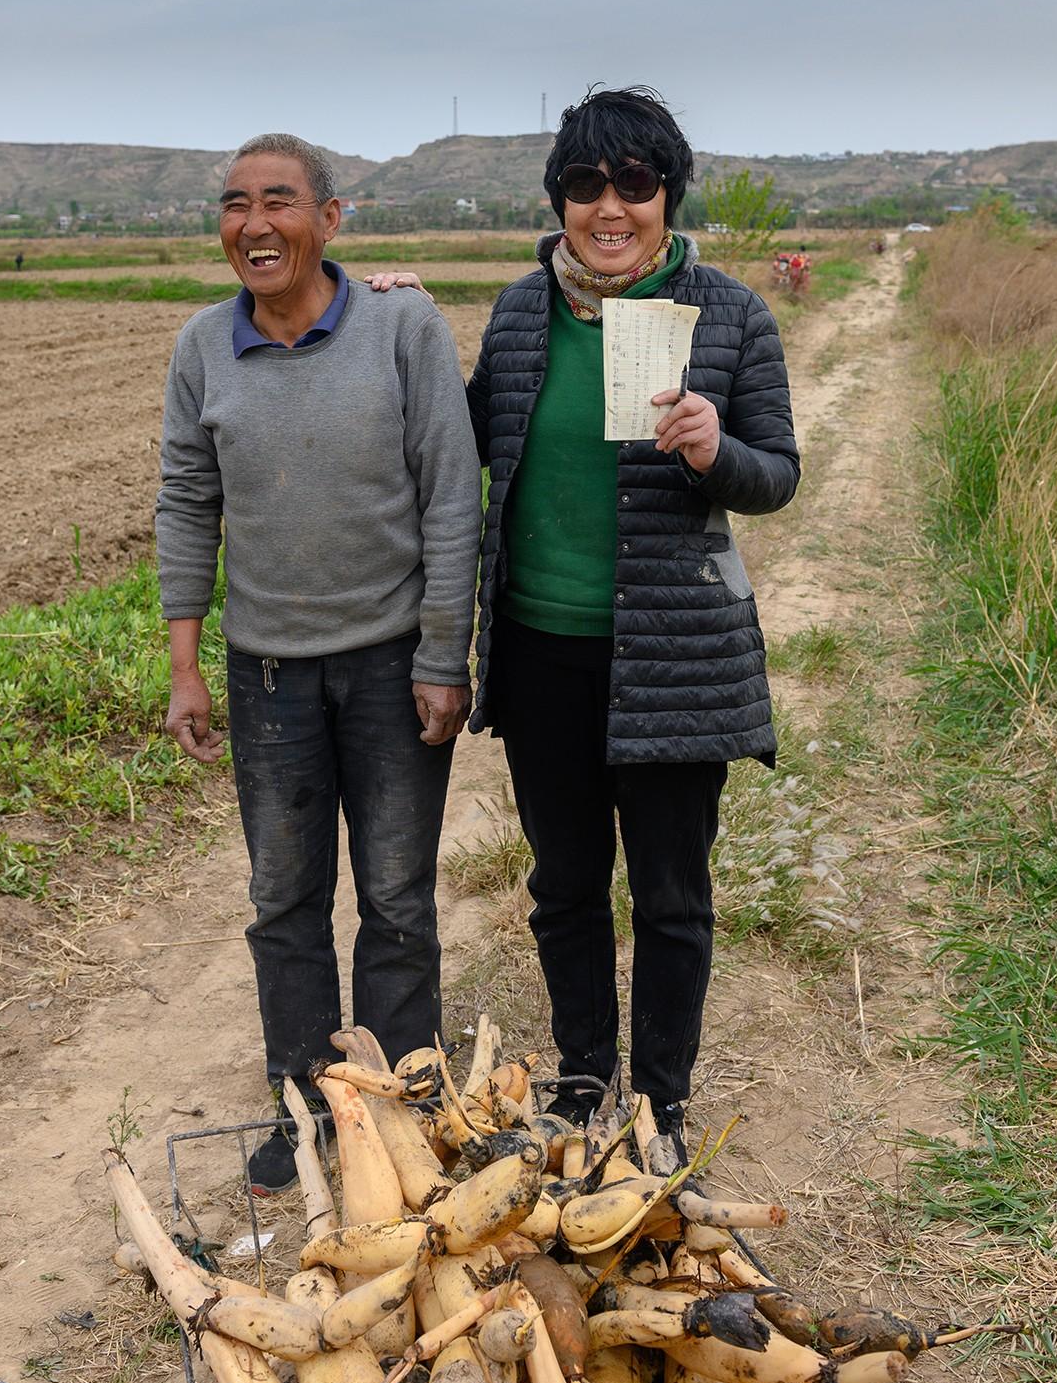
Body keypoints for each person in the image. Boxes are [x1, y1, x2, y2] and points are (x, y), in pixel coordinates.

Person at [466, 88, 800, 1153]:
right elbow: (473, 432)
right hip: (540, 647)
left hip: (671, 651)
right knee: (563, 886)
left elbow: (776, 476)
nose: (607, 207)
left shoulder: (731, 314)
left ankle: (657, 1099)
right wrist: (388, 320)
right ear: (558, 198)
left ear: (666, 194)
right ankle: (579, 1078)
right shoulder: (522, 312)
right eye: (583, 185)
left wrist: (714, 449)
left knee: (668, 894)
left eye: (633, 184)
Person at [155, 132, 482, 1191]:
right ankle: (303, 1111)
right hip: (267, 678)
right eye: (235, 203)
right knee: (283, 900)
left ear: (330, 220)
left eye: (280, 201)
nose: (255, 223)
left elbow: (447, 492)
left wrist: (443, 651)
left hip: (392, 668)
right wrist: (185, 665)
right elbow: (186, 508)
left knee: (395, 897)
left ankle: (400, 1109)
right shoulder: (204, 348)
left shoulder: (401, 325)